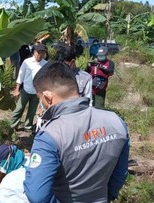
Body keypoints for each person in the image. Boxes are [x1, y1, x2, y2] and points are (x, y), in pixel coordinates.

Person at [24, 61, 129, 203]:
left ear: (47, 97)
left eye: (39, 99)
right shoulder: (116, 122)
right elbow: (120, 174)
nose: (41, 104)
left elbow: (37, 196)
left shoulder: (49, 136)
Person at [10, 44, 47, 131]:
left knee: (32, 111)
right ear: (34, 52)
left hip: (37, 92)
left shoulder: (45, 64)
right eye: (38, 52)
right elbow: (20, 76)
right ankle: (12, 125)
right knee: (19, 109)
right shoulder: (27, 62)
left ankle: (28, 126)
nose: (40, 55)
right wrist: (17, 89)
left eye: (42, 53)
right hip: (26, 90)